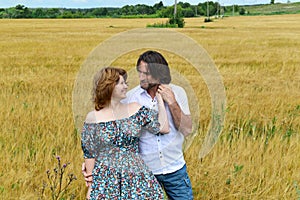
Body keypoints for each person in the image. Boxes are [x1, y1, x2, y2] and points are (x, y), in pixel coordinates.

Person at [81, 67, 169, 199]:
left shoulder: (134, 109)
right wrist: (91, 187)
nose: (126, 86)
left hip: (136, 178)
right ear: (109, 86)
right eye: (122, 83)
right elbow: (89, 153)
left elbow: (163, 128)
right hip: (106, 180)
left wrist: (160, 101)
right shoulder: (92, 118)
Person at [124, 50, 194, 200]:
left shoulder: (178, 92)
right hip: (145, 173)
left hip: (175, 170)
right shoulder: (131, 98)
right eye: (139, 72)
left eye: (146, 74)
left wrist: (172, 102)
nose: (141, 77)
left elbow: (187, 129)